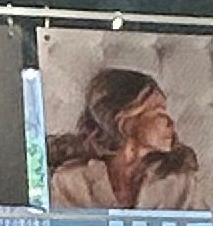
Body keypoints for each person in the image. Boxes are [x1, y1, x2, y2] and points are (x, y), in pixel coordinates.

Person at [49, 64, 202, 211]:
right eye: (159, 111)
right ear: (126, 118)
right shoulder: (71, 182)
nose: (170, 122)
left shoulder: (181, 184)